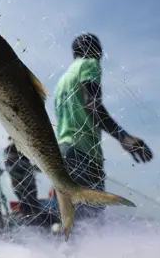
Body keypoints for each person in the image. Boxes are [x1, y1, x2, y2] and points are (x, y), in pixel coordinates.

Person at [53, 32, 154, 220]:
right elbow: (91, 104)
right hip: (84, 154)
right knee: (91, 226)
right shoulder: (89, 64)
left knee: (71, 225)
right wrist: (123, 136)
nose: (100, 55)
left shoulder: (62, 81)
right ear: (93, 50)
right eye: (98, 50)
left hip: (63, 155)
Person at [3, 136, 41, 217]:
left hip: (28, 185)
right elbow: (12, 170)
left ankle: (34, 222)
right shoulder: (10, 154)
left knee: (33, 206)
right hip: (21, 186)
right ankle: (30, 223)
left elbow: (31, 167)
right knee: (27, 206)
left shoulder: (24, 154)